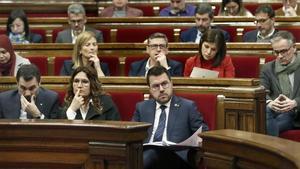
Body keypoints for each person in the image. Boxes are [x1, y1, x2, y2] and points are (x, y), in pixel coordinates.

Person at [132, 65, 209, 169]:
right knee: (148, 153)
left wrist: (199, 139)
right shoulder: (142, 108)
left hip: (177, 159)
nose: (162, 89)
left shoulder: (188, 106)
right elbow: (132, 136)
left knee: (151, 154)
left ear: (171, 84)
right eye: (156, 86)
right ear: (150, 89)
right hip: (147, 157)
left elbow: (203, 133)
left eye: (164, 84)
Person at [260, 31, 300, 136]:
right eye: (276, 52)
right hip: (277, 112)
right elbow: (262, 91)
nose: (280, 56)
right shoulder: (268, 68)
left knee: (263, 127)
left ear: (294, 47)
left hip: (297, 112)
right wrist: (270, 103)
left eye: (283, 51)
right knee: (265, 110)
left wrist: (295, 103)